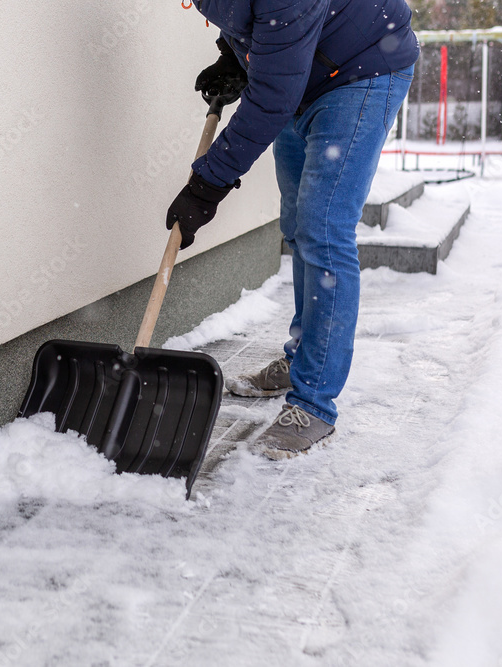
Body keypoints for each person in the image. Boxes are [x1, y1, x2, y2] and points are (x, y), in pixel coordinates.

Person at [166, 0, 419, 460]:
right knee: (297, 226)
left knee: (323, 229)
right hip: (301, 72)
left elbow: (272, 99)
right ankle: (304, 355)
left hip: (361, 71)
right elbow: (245, 19)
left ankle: (314, 402)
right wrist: (234, 54)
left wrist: (207, 186)